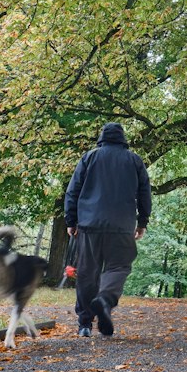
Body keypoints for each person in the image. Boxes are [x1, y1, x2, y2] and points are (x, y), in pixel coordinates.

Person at [64, 123, 151, 337]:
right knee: (119, 267)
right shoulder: (134, 160)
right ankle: (105, 298)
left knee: (87, 273)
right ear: (123, 139)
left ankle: (84, 324)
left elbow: (73, 190)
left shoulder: (89, 157)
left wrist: (71, 221)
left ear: (102, 137)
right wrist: (142, 222)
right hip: (122, 226)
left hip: (89, 225)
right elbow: (144, 193)